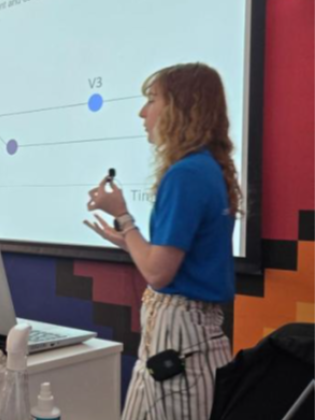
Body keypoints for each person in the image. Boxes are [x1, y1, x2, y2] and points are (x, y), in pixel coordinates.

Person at [85, 63, 241, 420]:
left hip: (179, 341)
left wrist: (123, 216)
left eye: (152, 100)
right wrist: (128, 241)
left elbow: (158, 272)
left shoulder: (185, 174)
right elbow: (179, 259)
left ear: (180, 108)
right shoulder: (206, 168)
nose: (143, 112)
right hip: (189, 340)